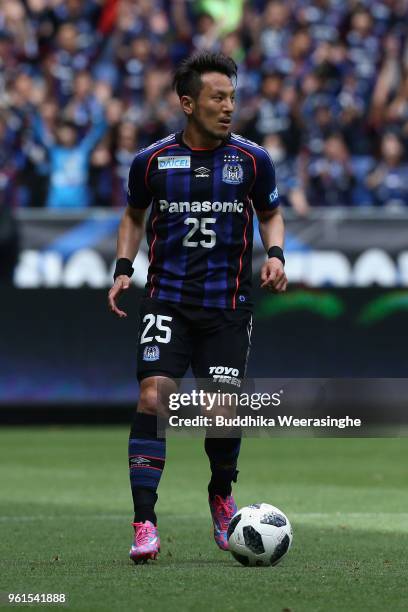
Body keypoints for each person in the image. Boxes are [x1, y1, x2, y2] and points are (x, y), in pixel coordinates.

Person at [108, 52, 287, 564]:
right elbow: (133, 215)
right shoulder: (153, 161)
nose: (228, 107)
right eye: (217, 97)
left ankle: (220, 492)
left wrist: (275, 254)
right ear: (188, 103)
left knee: (220, 410)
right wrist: (124, 265)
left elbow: (272, 214)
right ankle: (145, 523)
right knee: (153, 397)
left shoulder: (252, 160)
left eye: (231, 97)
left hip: (227, 307)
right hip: (167, 299)